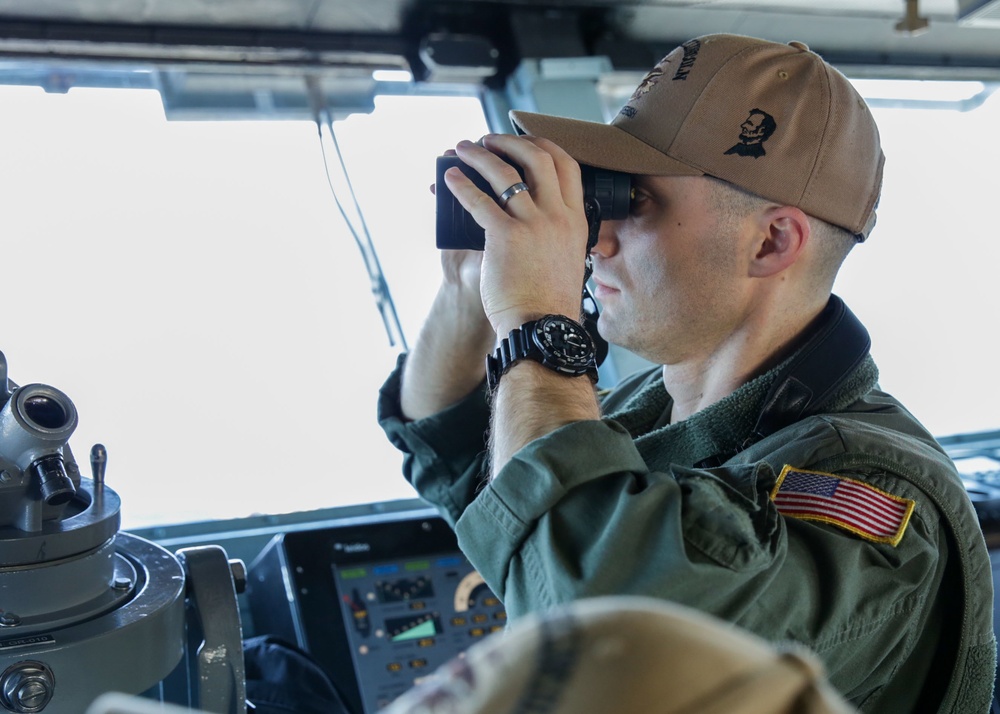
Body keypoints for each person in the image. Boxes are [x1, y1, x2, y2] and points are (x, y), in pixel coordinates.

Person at [377, 33, 996, 712]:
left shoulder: (874, 491)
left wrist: (537, 320)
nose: (595, 238)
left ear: (770, 242)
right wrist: (472, 293)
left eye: (634, 201)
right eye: (600, 198)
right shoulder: (645, 407)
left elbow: (612, 644)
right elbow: (463, 456)